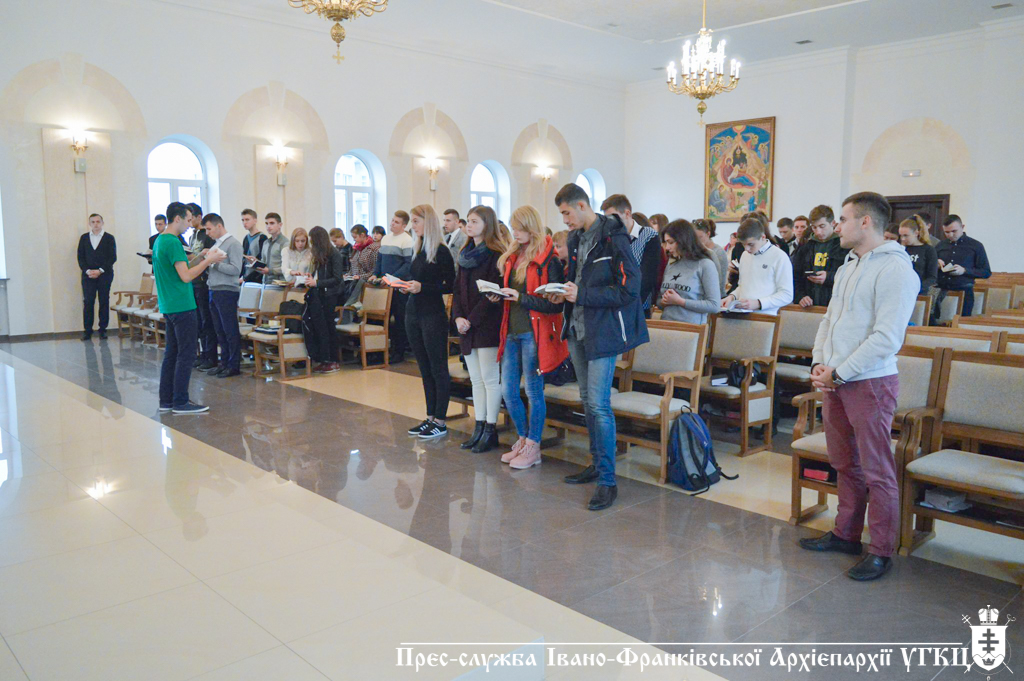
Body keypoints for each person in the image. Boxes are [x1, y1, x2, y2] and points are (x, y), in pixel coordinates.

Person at [800, 191, 919, 582]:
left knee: (877, 469)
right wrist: (819, 362)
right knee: (844, 463)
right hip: (835, 378)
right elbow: (829, 320)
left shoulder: (896, 269)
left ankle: (881, 550)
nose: (838, 226)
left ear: (865, 221)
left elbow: (886, 338)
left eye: (844, 219)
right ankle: (846, 534)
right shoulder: (849, 264)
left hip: (870, 382)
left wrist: (840, 372)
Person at [544, 183, 648, 511]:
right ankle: (596, 463)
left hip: (604, 332)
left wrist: (583, 295)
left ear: (581, 205)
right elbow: (578, 280)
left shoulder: (614, 236)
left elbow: (630, 289)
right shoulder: (576, 239)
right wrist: (562, 294)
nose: (564, 220)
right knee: (587, 400)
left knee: (600, 405)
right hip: (577, 328)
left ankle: (607, 480)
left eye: (566, 213)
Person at [493, 205, 568, 469]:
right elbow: (512, 292)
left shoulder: (549, 259)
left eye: (519, 228)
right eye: (513, 228)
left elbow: (554, 305)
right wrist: (499, 295)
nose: (515, 233)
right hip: (511, 330)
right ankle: (523, 438)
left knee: (534, 391)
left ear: (531, 227)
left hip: (533, 333)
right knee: (508, 390)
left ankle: (534, 446)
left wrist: (520, 297)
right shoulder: (514, 254)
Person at [154, 202, 225, 414]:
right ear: (177, 219)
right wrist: (209, 261)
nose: (189, 224)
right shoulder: (173, 242)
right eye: (187, 220)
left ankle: (166, 400)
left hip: (169, 304)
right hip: (182, 304)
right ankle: (180, 401)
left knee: (172, 353)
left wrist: (200, 256)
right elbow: (186, 276)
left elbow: (180, 269)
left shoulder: (160, 240)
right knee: (186, 355)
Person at [451, 205, 508, 453]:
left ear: (487, 224)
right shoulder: (465, 253)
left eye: (475, 221)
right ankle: (479, 425)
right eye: (468, 221)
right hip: (466, 325)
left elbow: (492, 294)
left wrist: (471, 320)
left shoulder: (496, 254)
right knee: (476, 379)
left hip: (486, 324)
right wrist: (458, 318)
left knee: (490, 379)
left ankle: (490, 429)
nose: (469, 225)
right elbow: (456, 291)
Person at [403, 205, 456, 440]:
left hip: (432, 314)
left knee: (437, 368)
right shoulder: (418, 248)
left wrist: (423, 287)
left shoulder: (441, 251)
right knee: (424, 368)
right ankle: (430, 416)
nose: (412, 226)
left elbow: (450, 285)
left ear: (428, 222)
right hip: (413, 312)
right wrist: (405, 285)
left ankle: (441, 421)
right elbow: (414, 277)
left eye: (416, 221)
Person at [601, 194, 660, 318]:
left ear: (627, 213)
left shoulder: (649, 236)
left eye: (613, 218)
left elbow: (647, 278)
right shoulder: (609, 238)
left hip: (638, 307)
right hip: (612, 306)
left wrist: (627, 304)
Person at [201, 213, 243, 377]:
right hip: (214, 289)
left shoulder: (233, 244)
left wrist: (213, 263)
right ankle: (224, 362)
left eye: (209, 229)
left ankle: (233, 364)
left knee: (229, 329)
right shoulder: (216, 244)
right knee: (219, 330)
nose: (207, 233)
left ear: (219, 226)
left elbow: (235, 269)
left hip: (227, 290)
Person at [722, 218, 793, 315]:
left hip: (765, 316)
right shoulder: (745, 255)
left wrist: (759, 303)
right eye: (743, 244)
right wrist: (732, 296)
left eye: (751, 244)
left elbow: (787, 295)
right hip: (742, 315)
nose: (747, 249)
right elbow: (743, 286)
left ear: (763, 237)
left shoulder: (779, 257)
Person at [371, 211, 415, 363]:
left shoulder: (407, 240)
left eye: (396, 222)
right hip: (385, 285)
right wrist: (375, 274)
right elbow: (380, 260)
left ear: (404, 225)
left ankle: (399, 352)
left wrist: (391, 278)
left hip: (399, 287)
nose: (392, 224)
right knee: (381, 319)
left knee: (399, 320)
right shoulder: (386, 238)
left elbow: (408, 265)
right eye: (392, 220)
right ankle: (379, 352)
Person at [657, 220, 721, 324]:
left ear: (683, 240)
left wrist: (680, 301)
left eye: (671, 242)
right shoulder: (672, 263)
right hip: (667, 325)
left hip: (691, 328)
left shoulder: (705, 264)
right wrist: (663, 301)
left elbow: (714, 306)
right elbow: (659, 300)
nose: (667, 247)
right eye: (666, 242)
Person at [302, 226, 346, 374]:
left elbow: (337, 279)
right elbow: (319, 275)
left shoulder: (334, 254)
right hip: (320, 295)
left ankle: (333, 360)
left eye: (313, 241)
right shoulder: (321, 254)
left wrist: (317, 283)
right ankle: (323, 359)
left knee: (329, 327)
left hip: (330, 295)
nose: (312, 245)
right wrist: (311, 278)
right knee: (320, 328)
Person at [935, 214, 991, 317]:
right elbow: (929, 269)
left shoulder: (975, 245)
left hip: (964, 291)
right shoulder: (940, 245)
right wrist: (936, 263)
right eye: (947, 232)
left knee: (960, 323)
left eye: (954, 231)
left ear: (962, 227)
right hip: (941, 291)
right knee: (936, 323)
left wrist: (964, 270)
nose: (950, 235)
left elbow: (986, 272)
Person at [793, 204, 848, 308]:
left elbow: (850, 276)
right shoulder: (805, 246)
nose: (818, 232)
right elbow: (795, 275)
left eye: (822, 226)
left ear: (832, 223)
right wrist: (800, 296)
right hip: (810, 304)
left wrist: (829, 277)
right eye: (814, 227)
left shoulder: (844, 246)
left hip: (835, 304)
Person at [185, 204, 218, 370]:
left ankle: (211, 355)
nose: (189, 221)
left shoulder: (207, 235)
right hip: (194, 281)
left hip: (204, 282)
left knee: (207, 320)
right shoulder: (192, 236)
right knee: (198, 321)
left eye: (191, 218)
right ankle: (203, 353)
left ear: (199, 217)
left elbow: (210, 256)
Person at [77, 213, 117, 340]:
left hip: (105, 274)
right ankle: (87, 331)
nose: (96, 224)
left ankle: (103, 330)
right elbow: (80, 257)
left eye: (98, 221)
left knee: (104, 300)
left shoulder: (109, 238)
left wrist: (100, 270)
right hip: (88, 275)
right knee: (88, 301)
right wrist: (88, 271)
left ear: (102, 223)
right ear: (89, 224)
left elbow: (112, 257)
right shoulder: (84, 238)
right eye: (93, 222)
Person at [898, 215, 938, 296]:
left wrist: (916, 287)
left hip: (919, 293)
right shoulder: (900, 249)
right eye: (901, 235)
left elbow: (932, 277)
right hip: (900, 291)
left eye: (906, 235)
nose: (903, 239)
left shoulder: (928, 250)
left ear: (916, 233)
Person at [693, 218, 729, 296]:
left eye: (700, 237)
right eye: (695, 238)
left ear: (708, 234)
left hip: (717, 296)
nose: (697, 241)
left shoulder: (718, 252)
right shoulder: (695, 251)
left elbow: (720, 282)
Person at [249, 213, 287, 284]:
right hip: (265, 282)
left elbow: (287, 268)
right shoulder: (266, 243)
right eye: (266, 223)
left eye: (272, 223)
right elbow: (264, 263)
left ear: (280, 225)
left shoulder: (285, 243)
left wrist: (269, 270)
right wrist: (255, 262)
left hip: (279, 284)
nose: (268, 226)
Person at [240, 209, 267, 284]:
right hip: (245, 278)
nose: (244, 223)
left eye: (247, 220)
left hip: (257, 279)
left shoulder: (262, 238)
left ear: (255, 221)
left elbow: (261, 261)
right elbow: (244, 260)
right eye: (243, 220)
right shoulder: (246, 238)